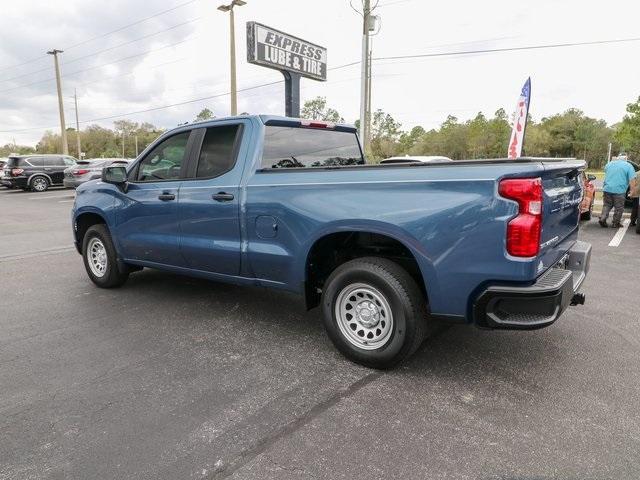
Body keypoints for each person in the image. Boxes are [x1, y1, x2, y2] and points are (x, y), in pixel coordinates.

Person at [599, 155, 636, 228]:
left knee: (607, 205)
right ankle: (616, 223)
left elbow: (606, 175)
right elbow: (632, 180)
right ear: (626, 159)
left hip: (607, 188)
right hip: (619, 190)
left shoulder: (609, 164)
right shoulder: (628, 166)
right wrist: (632, 192)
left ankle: (603, 218)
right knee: (619, 207)